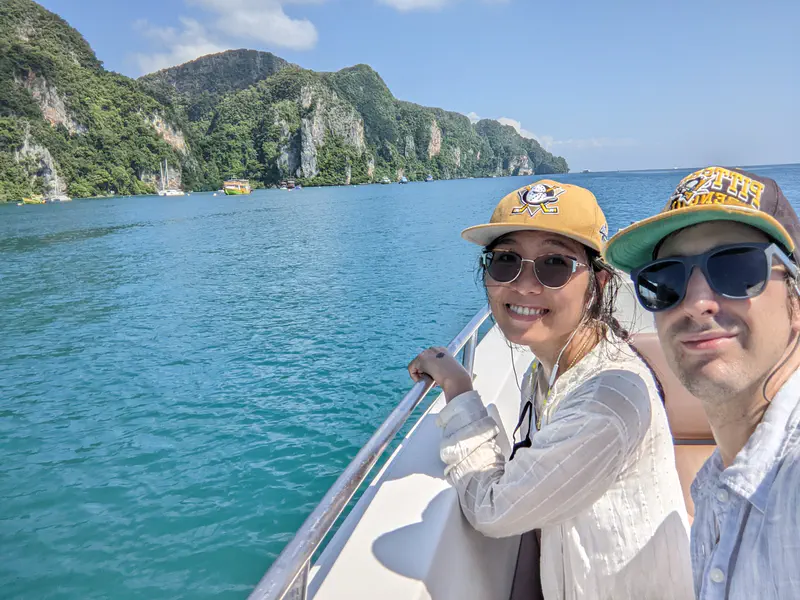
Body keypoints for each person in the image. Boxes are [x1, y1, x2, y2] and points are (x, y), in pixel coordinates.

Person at [408, 181, 693, 599]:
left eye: (555, 264)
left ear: (597, 282)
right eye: (505, 261)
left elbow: (493, 508)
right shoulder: (544, 370)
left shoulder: (607, 401)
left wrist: (458, 387)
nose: (524, 285)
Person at [604, 166, 800, 599]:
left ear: (795, 301)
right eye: (665, 280)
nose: (695, 304)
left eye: (737, 268)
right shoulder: (713, 486)